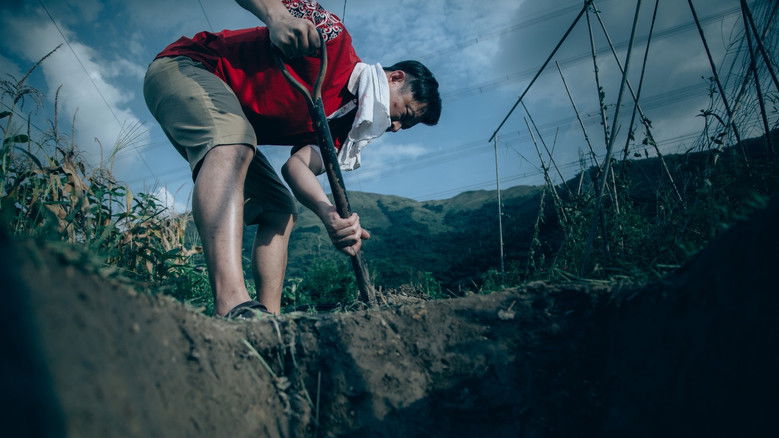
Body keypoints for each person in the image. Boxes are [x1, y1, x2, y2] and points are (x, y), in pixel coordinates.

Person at [143, 0, 441, 318]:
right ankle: (231, 304)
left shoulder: (342, 128)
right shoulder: (334, 42)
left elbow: (297, 167)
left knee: (280, 208)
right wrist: (278, 16)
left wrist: (331, 216)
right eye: (404, 115)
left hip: (232, 122)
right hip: (187, 66)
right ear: (395, 78)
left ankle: (266, 319)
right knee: (235, 144)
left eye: (404, 127)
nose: (395, 127)